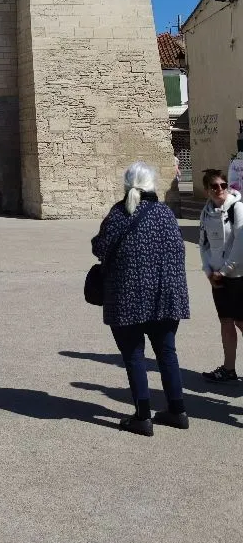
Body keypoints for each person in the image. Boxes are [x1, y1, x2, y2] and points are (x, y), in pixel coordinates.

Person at [91, 162, 190, 436]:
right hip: (166, 297)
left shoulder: (119, 213)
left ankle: (142, 417)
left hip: (127, 298)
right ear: (151, 184)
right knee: (167, 353)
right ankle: (178, 411)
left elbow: (99, 247)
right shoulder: (166, 214)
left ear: (127, 184)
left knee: (134, 356)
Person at [198, 167, 243, 383]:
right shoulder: (206, 212)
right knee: (226, 322)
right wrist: (209, 271)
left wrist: (225, 270)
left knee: (241, 323)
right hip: (217, 277)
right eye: (214, 186)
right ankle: (228, 369)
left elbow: (241, 243)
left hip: (238, 275)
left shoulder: (237, 208)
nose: (219, 189)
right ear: (207, 190)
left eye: (223, 185)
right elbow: (203, 244)